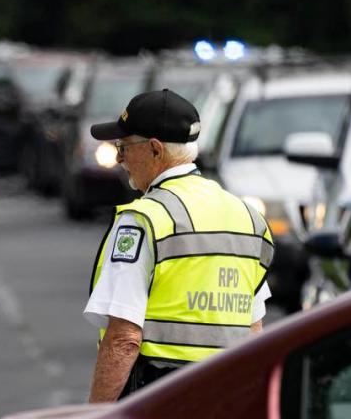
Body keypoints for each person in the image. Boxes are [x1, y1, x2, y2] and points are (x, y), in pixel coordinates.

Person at [85, 89, 274, 402]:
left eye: (125, 147)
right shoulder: (247, 217)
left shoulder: (145, 219)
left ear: (156, 150)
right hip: (227, 401)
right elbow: (253, 329)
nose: (119, 159)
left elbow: (124, 338)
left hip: (159, 402)